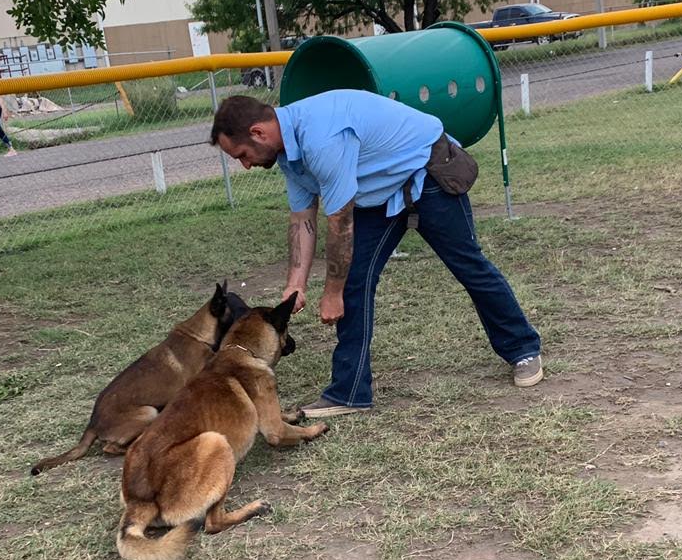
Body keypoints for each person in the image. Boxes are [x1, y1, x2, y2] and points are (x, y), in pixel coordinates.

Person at [209, 91, 542, 417]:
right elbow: (301, 219)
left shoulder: (319, 137)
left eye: (241, 154)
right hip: (378, 191)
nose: (246, 165)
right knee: (354, 281)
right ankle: (350, 392)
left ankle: (523, 349)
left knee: (469, 268)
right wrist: (295, 285)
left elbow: (339, 221)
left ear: (258, 133)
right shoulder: (287, 154)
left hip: (427, 172)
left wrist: (331, 294)